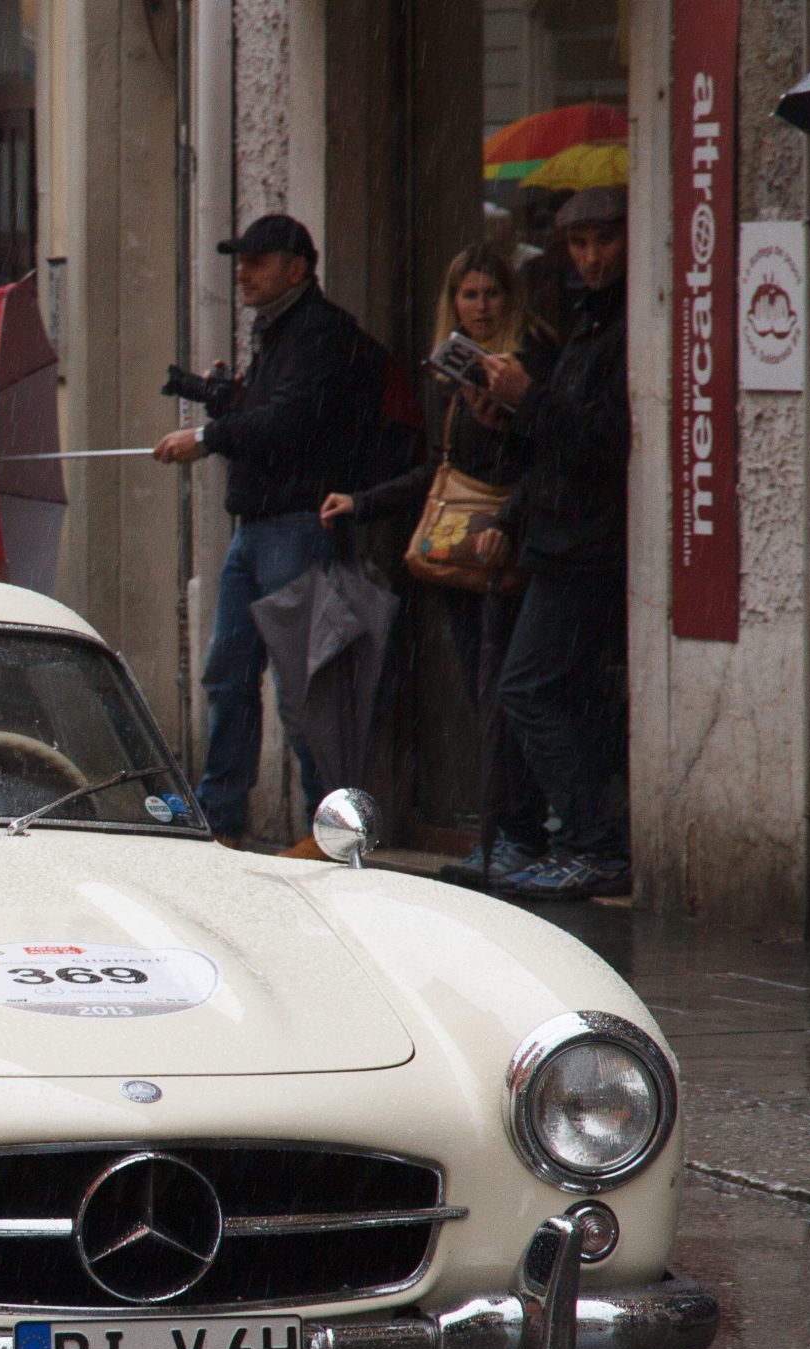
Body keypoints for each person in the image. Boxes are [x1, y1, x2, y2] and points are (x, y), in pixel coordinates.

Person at [321, 245, 558, 889]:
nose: (480, 307)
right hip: (462, 554)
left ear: (511, 299)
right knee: (486, 693)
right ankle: (503, 832)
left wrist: (510, 430)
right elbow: (445, 469)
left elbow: (540, 458)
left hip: (506, 551)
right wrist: (364, 502)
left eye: (491, 294)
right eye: (468, 295)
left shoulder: (526, 366)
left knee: (507, 694)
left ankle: (523, 832)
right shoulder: (461, 381)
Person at [153, 213, 383, 851]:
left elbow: (290, 426)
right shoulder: (278, 331)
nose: (243, 273)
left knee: (304, 689)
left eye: (257, 261)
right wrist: (226, 402)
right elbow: (273, 419)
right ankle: (220, 816)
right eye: (240, 260)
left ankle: (328, 825)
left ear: (297, 267)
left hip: (295, 529)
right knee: (228, 676)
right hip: (254, 531)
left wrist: (206, 436)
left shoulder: (319, 331)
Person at [477, 186, 633, 901]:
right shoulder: (588, 322)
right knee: (548, 694)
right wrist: (509, 517)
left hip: (587, 546)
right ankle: (567, 836)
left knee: (529, 688)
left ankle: (593, 840)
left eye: (604, 240)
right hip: (560, 538)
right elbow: (557, 449)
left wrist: (528, 400)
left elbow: (604, 441)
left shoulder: (622, 326)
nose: (591, 257)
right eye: (578, 243)